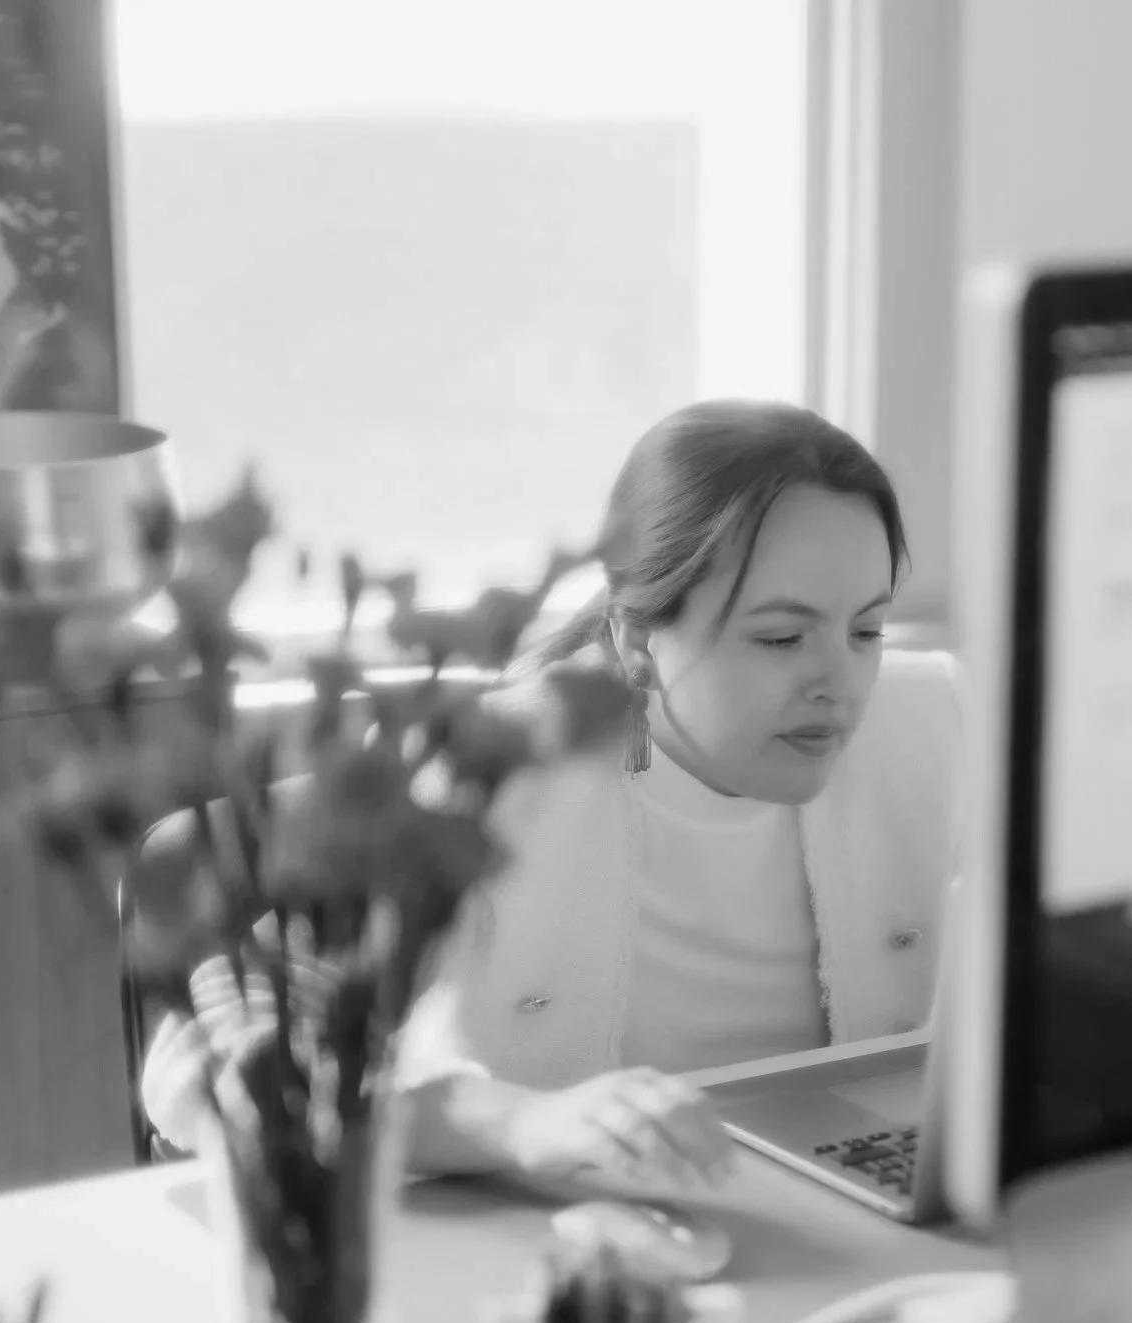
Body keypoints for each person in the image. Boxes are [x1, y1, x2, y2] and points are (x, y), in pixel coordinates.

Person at [140, 400, 961, 1194]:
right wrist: (513, 1125)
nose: (840, 683)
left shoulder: (936, 728)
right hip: (553, 1268)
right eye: (781, 637)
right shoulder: (500, 770)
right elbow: (211, 1057)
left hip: (859, 1232)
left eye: (867, 631)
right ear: (638, 640)